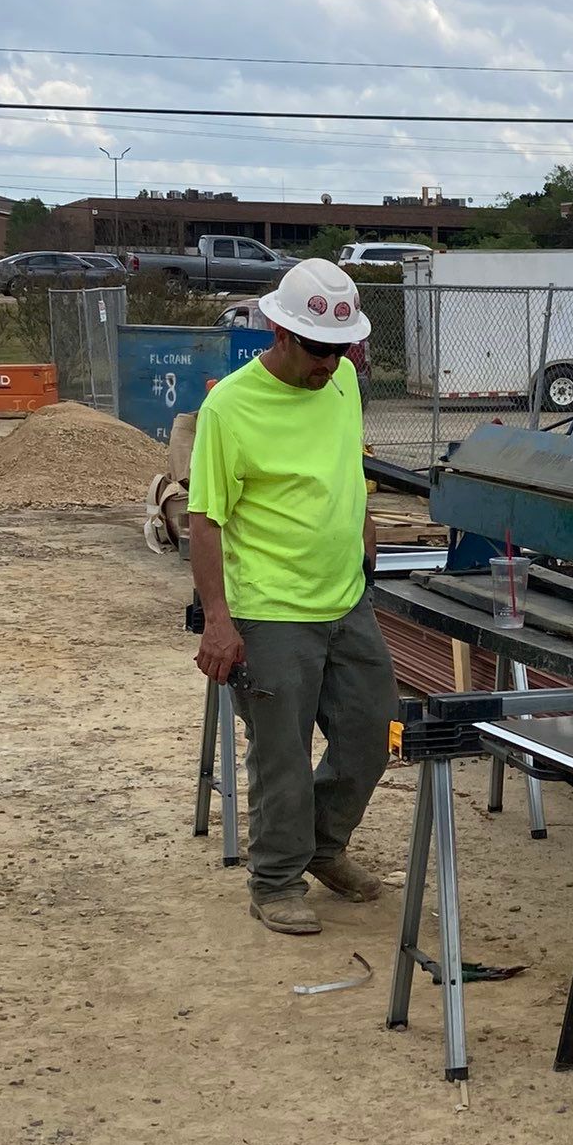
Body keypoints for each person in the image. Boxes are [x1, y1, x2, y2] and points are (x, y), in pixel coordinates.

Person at [187, 260, 396, 935]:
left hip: (344, 599)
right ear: (279, 332)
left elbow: (346, 466)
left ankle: (324, 847)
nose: (330, 365)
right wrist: (218, 620)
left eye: (342, 350)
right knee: (282, 755)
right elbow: (205, 519)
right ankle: (276, 880)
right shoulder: (230, 408)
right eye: (317, 350)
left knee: (373, 731)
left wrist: (363, 529)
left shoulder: (341, 384)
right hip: (270, 610)